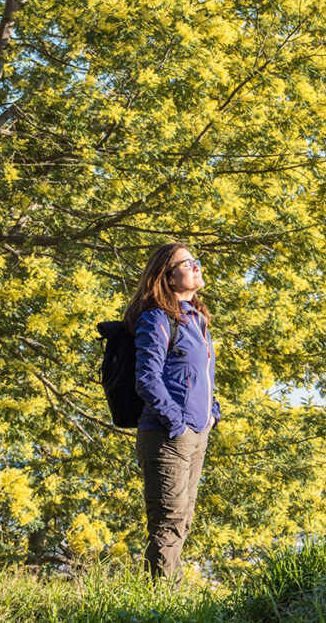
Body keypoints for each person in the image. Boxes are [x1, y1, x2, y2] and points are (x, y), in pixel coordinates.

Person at [122, 243, 220, 580]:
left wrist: (212, 412)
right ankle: (156, 604)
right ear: (167, 275)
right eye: (187, 263)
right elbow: (147, 379)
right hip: (166, 436)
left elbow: (202, 373)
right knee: (168, 522)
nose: (196, 266)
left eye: (196, 261)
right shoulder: (157, 317)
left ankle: (166, 600)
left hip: (196, 434)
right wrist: (177, 424)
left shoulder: (197, 317)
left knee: (184, 519)